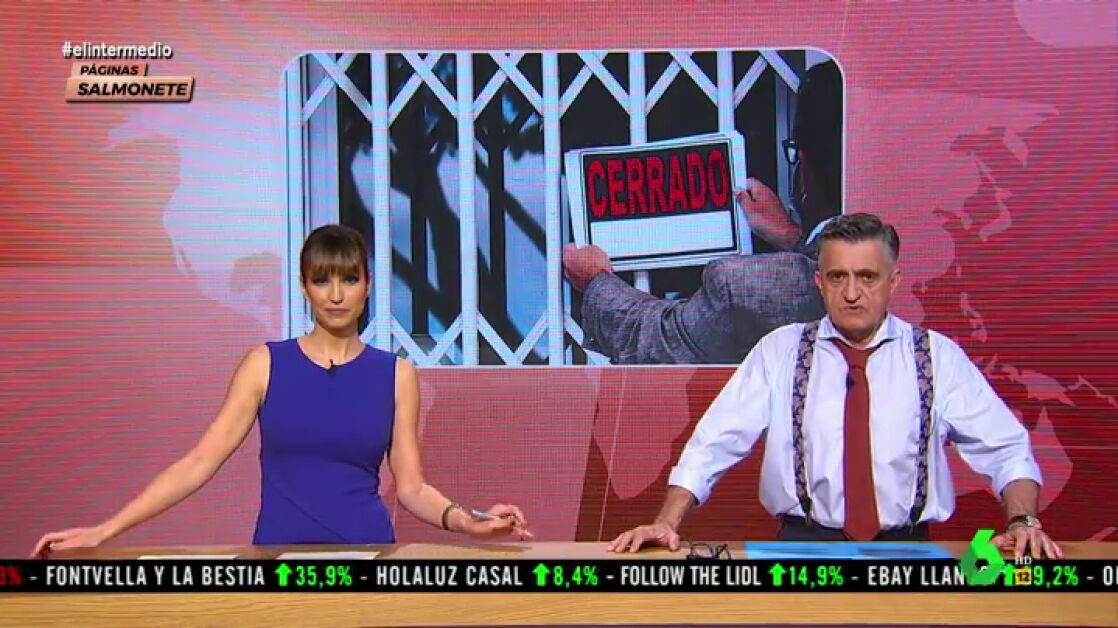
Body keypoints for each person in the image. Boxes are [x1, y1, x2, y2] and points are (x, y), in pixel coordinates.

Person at [32, 225, 531, 556]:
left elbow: (412, 488)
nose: (336, 294)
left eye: (349, 279)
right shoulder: (264, 365)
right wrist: (106, 529)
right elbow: (199, 462)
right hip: (277, 563)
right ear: (304, 286)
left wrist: (469, 521)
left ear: (367, 285)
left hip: (368, 561)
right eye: (322, 280)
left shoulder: (396, 374)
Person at [606, 213, 1062, 559]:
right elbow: (713, 443)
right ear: (819, 283)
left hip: (909, 553)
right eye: (838, 277)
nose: (851, 293)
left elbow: (1006, 448)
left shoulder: (937, 357)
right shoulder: (779, 351)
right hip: (799, 550)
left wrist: (1022, 520)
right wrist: (667, 521)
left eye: (867, 277)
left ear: (894, 282)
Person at [563, 61, 843, 364]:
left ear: (805, 168)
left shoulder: (740, 290)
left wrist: (595, 283)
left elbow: (662, 342)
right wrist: (794, 238)